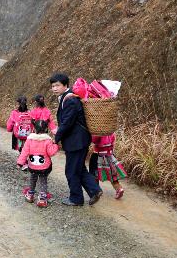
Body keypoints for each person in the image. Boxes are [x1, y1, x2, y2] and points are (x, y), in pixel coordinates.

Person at [49, 72, 102, 206]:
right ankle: (94, 190)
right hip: (79, 140)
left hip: (76, 141)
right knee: (79, 168)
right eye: (52, 86)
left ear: (65, 85)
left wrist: (56, 138)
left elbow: (67, 122)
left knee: (71, 171)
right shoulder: (67, 97)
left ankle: (76, 198)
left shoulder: (70, 100)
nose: (54, 88)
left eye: (57, 85)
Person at [17, 117, 59, 207]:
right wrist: (55, 144)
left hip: (32, 166)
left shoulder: (29, 140)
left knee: (32, 179)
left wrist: (20, 163)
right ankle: (42, 199)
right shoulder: (48, 141)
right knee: (43, 181)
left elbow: (24, 152)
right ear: (46, 129)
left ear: (34, 129)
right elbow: (51, 153)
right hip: (44, 167)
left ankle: (30, 195)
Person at [89, 131, 125, 199]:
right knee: (112, 174)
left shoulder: (99, 132)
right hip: (110, 155)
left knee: (94, 173)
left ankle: (96, 190)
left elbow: (93, 140)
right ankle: (119, 189)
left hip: (98, 155)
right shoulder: (111, 132)